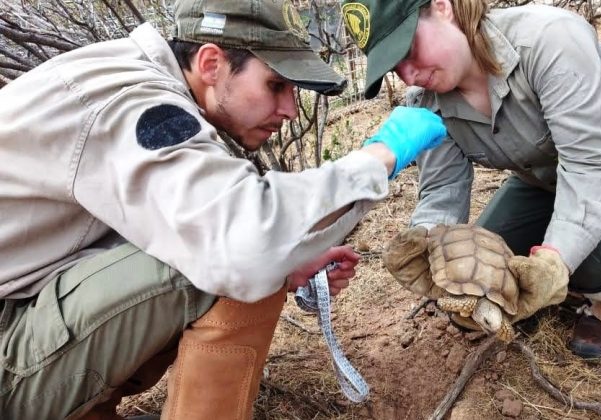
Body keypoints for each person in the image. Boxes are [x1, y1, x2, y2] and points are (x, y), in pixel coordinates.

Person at [0, 0, 446, 418]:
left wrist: (294, 260)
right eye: (276, 85)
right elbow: (242, 244)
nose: (291, 109)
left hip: (18, 312)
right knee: (241, 262)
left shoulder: (123, 77)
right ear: (211, 64)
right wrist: (379, 156)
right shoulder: (131, 103)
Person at [343, 0, 601, 359]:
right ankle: (566, 270)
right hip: (546, 184)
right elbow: (442, 189)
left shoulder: (548, 40)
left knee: (589, 259)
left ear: (442, 7)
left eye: (407, 49)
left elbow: (591, 165)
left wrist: (556, 259)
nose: (408, 74)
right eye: (394, 66)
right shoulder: (425, 102)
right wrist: (425, 242)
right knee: (474, 273)